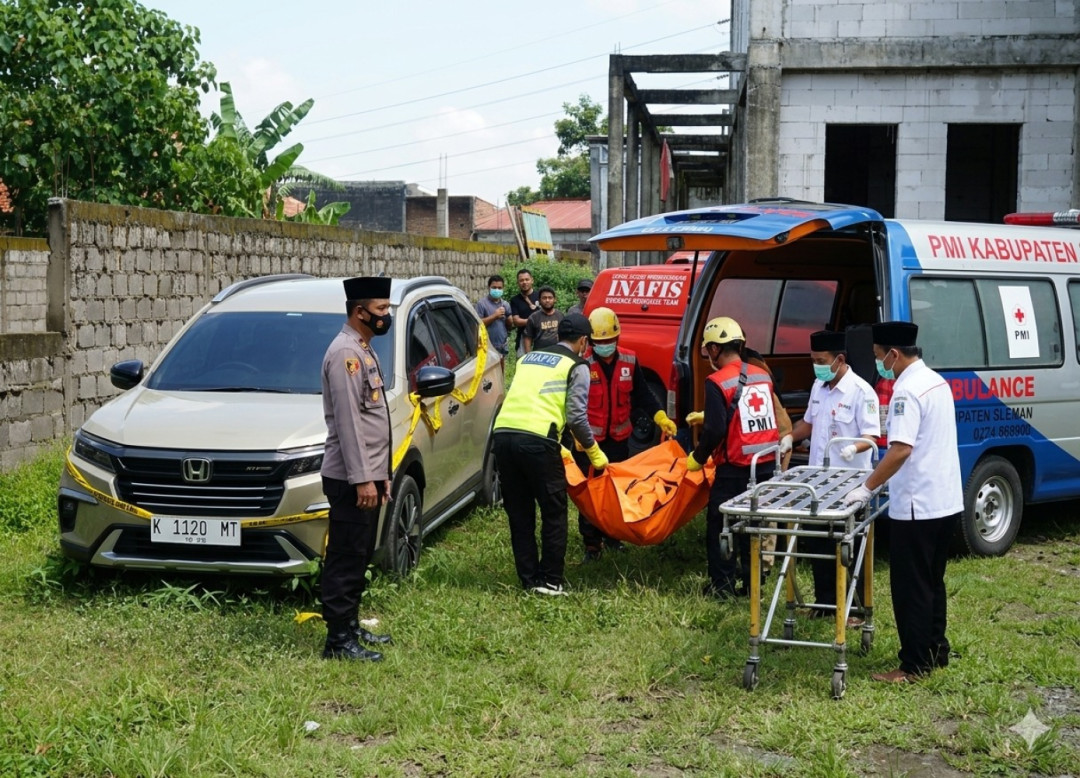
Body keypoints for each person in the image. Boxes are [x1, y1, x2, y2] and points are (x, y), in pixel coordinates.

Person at [843, 321, 963, 683]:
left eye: (880, 357)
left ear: (894, 354)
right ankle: (935, 651)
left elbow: (900, 450)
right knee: (932, 582)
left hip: (916, 505)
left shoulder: (906, 391)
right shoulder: (937, 382)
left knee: (911, 588)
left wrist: (867, 487)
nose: (880, 365)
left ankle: (912, 666)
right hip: (944, 499)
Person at [493, 313, 609, 595]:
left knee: (520, 514)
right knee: (553, 512)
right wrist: (594, 452)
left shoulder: (527, 359)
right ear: (583, 340)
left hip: (502, 436)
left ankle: (529, 580)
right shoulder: (577, 365)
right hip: (539, 441)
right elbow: (577, 417)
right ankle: (551, 581)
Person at [318, 276, 396, 661]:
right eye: (381, 310)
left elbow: (374, 420)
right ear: (359, 311)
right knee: (346, 558)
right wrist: (363, 479)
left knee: (360, 554)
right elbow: (349, 423)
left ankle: (350, 625)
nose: (387, 316)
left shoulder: (364, 349)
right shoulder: (345, 354)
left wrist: (382, 475)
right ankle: (337, 640)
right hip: (350, 478)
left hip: (368, 475)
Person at [685, 316, 790, 599]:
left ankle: (722, 586)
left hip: (734, 469)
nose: (708, 355)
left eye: (708, 349)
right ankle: (752, 585)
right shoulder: (762, 375)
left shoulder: (717, 380)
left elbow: (716, 429)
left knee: (721, 527)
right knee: (752, 528)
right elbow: (748, 416)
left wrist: (697, 456)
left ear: (716, 349)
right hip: (766, 466)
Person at [788, 330, 880, 616]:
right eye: (813, 360)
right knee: (819, 543)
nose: (817, 365)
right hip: (818, 482)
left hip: (849, 484)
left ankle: (856, 610)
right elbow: (809, 424)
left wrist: (853, 447)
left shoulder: (861, 391)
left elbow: (872, 437)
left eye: (822, 360)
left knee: (851, 546)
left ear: (839, 360)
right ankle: (826, 603)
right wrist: (789, 437)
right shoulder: (819, 385)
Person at [575, 306, 677, 561]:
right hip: (590, 445)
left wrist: (661, 417)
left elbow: (643, 395)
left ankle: (613, 536)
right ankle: (591, 545)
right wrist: (575, 435)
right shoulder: (582, 366)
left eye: (609, 341)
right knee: (591, 496)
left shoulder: (629, 361)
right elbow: (573, 405)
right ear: (591, 342)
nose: (605, 346)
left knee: (617, 491)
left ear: (618, 338)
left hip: (619, 442)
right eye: (600, 342)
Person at [475, 274, 509, 362]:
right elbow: (478, 324)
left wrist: (509, 318)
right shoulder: (481, 304)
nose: (497, 290)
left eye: (499, 288)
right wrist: (494, 316)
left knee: (501, 373)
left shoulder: (505, 304)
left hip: (502, 346)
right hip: (487, 347)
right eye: (494, 287)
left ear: (503, 288)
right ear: (489, 287)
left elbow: (509, 325)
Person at [508, 268, 539, 354]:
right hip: (523, 337)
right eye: (521, 280)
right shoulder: (515, 300)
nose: (524, 282)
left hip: (540, 337)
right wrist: (536, 320)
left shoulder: (540, 296)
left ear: (532, 280)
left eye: (527, 279)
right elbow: (517, 321)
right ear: (518, 283)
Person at [523, 285, 564, 352]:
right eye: (544, 298)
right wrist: (528, 355)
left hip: (557, 354)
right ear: (539, 300)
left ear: (555, 299)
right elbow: (528, 338)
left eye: (550, 298)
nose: (547, 300)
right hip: (539, 355)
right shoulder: (533, 317)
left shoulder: (560, 315)